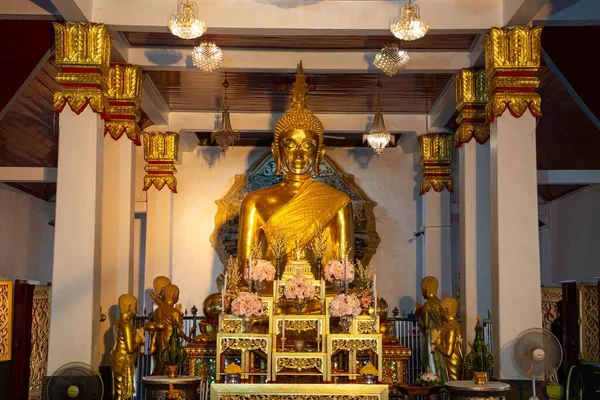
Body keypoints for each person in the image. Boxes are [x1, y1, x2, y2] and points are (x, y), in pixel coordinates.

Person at [237, 62, 353, 272]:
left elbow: (345, 272)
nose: (298, 155)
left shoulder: (337, 201)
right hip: (268, 297)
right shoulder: (255, 202)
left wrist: (343, 303)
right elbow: (245, 271)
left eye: (307, 146)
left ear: (319, 153)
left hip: (323, 299)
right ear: (276, 152)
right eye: (290, 145)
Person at [144, 284, 191, 375]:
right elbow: (177, 330)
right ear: (174, 295)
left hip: (158, 339)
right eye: (178, 295)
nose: (178, 297)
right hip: (170, 341)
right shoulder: (175, 312)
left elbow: (152, 323)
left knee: (159, 361)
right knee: (169, 362)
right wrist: (186, 337)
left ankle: (157, 382)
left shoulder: (158, 311)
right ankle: (168, 385)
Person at [110, 294, 144, 400]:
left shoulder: (118, 322)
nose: (137, 310)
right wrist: (138, 340)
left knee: (119, 391)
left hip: (118, 358)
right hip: (123, 360)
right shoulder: (126, 325)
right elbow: (130, 348)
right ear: (129, 307)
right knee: (122, 393)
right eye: (135, 306)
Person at [432, 296, 464, 382]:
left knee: (453, 387)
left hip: (453, 363)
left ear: (446, 311)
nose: (439, 313)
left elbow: (449, 352)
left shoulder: (451, 327)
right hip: (448, 363)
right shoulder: (448, 325)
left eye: (441, 310)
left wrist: (437, 345)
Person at [418, 276, 444, 378]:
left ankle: (434, 383)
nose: (422, 292)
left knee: (432, 362)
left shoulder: (427, 305)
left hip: (431, 336)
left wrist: (419, 320)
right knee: (441, 363)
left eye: (422, 289)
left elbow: (427, 325)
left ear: (427, 289)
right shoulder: (440, 303)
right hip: (441, 336)